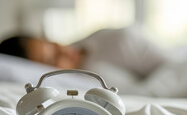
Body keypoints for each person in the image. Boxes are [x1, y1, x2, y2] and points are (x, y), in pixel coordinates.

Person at [0, 27, 167, 80]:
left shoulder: (114, 40)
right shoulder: (87, 79)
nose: (64, 50)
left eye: (52, 44)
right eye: (53, 58)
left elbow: (170, 63)